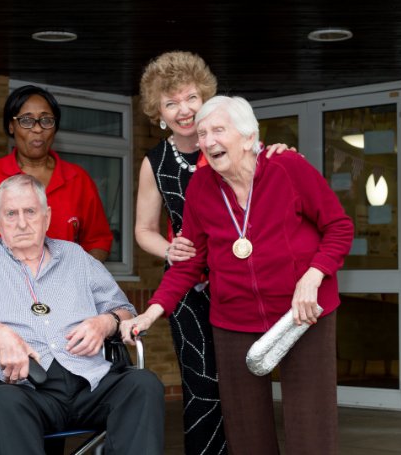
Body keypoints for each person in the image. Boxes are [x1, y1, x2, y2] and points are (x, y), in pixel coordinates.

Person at [123, 95, 354, 454]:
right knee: (246, 431)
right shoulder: (200, 186)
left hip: (303, 313)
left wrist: (313, 276)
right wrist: (153, 311)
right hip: (234, 319)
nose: (208, 140)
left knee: (310, 426)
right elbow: (190, 262)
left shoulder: (288, 167)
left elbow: (339, 227)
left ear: (248, 137)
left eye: (218, 129)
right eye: (202, 133)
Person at [136, 50, 293, 455]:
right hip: (188, 293)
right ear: (159, 111)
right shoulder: (154, 162)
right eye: (171, 103)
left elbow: (274, 186)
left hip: (241, 284)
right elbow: (142, 230)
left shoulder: (231, 143)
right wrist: (170, 249)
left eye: (190, 98)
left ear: (204, 96)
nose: (184, 110)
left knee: (245, 388)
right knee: (202, 390)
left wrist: (282, 156)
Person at [0, 174, 164, 455]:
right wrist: (1, 335)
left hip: (89, 383)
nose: (21, 222)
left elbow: (124, 311)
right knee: (3, 402)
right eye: (11, 214)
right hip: (22, 386)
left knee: (142, 384)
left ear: (47, 217)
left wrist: (105, 322)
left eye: (30, 212)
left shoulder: (76, 257)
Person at [0, 85, 113, 263]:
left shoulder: (78, 180)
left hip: (62, 289)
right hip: (4, 288)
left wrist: (81, 276)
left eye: (46, 120)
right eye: (26, 120)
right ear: (11, 126)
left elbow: (98, 241)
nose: (38, 129)